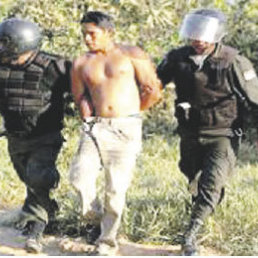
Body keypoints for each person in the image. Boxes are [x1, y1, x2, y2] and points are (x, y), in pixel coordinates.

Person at [157, 8, 258, 256]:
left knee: (212, 183)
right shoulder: (177, 58)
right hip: (190, 132)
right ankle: (202, 206)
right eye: (193, 34)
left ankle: (191, 234)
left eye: (203, 36)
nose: (198, 41)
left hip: (223, 133)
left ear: (216, 36)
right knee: (192, 177)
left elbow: (255, 97)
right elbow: (152, 84)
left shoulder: (233, 61)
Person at [69, 11, 162, 256]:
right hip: (94, 127)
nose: (87, 39)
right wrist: (88, 120)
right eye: (84, 34)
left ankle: (106, 243)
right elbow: (81, 97)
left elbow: (152, 90)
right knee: (79, 177)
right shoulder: (81, 62)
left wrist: (130, 114)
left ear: (109, 32)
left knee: (115, 189)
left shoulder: (132, 54)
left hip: (126, 127)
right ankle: (95, 219)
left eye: (92, 34)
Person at [0, 18, 71, 253]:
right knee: (28, 178)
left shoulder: (54, 66)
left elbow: (84, 90)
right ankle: (49, 211)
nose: (8, 57)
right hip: (15, 135)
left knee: (39, 176)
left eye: (11, 51)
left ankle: (35, 229)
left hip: (45, 135)